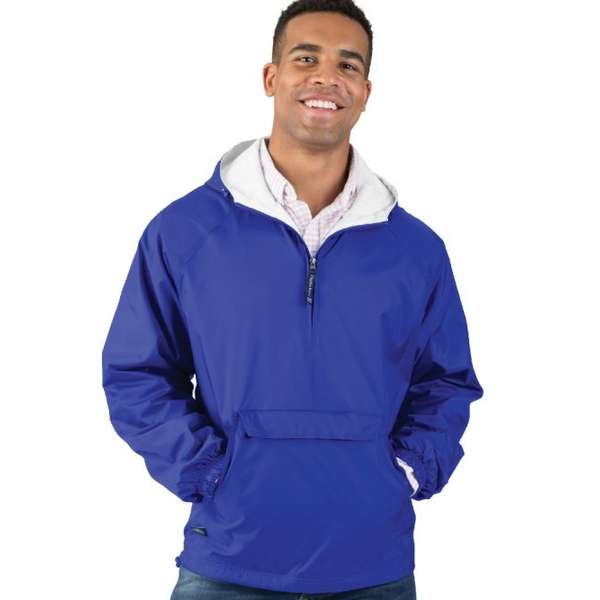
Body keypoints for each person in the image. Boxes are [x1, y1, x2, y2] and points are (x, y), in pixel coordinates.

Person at [101, 1, 484, 598]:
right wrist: (206, 471)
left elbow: (446, 382)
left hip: (373, 568)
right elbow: (136, 372)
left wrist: (408, 471)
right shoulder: (185, 232)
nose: (327, 77)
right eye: (307, 58)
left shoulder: (417, 250)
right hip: (227, 565)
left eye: (348, 65)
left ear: (365, 92)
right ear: (271, 77)